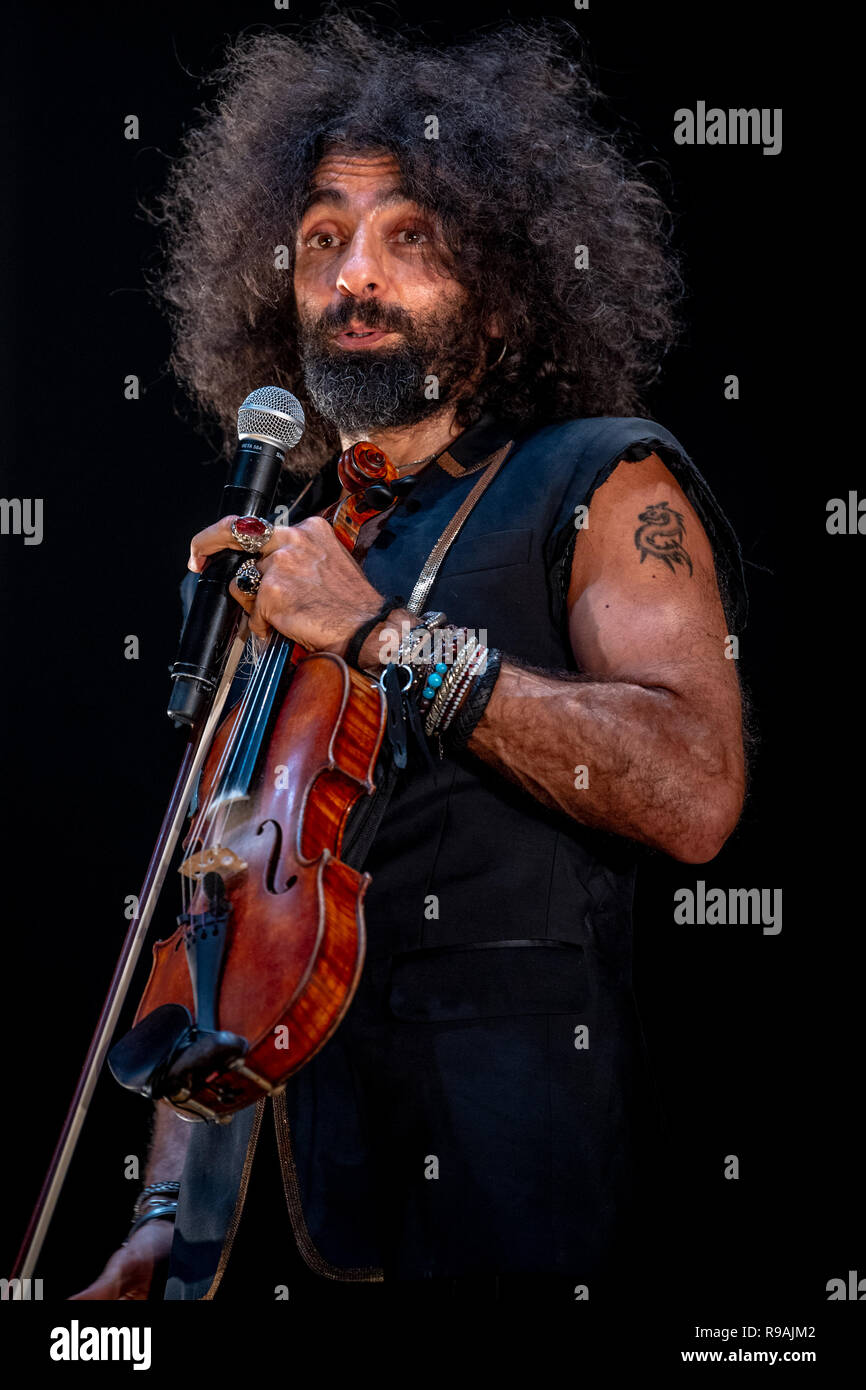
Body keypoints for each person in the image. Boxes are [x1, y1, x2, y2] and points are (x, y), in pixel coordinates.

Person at [71, 14, 747, 1305]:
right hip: (315, 1198)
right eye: (321, 238)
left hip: (534, 1170)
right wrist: (172, 1205)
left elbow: (693, 792)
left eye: (409, 236)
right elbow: (224, 916)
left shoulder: (600, 475)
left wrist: (377, 633)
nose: (352, 276)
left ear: (499, 284)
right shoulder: (306, 541)